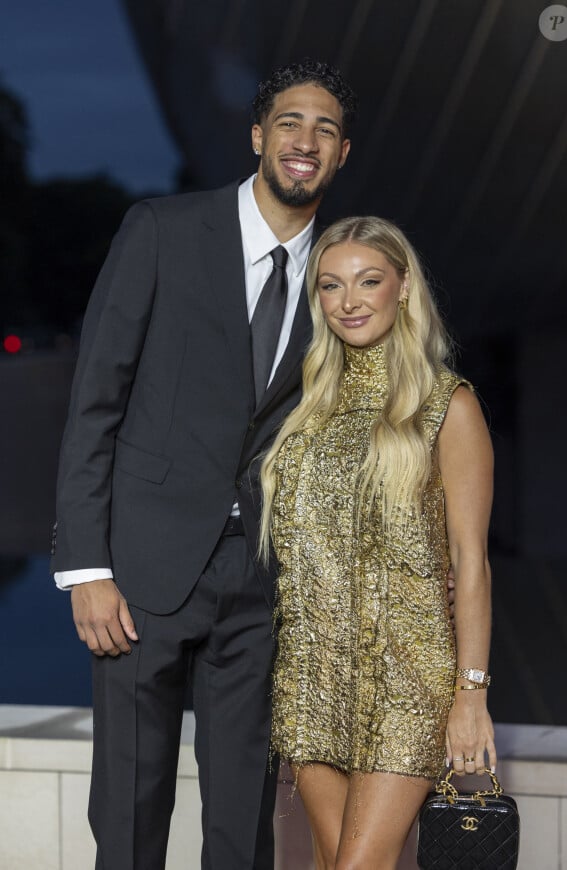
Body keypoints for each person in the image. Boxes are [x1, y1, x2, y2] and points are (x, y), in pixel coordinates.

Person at [50, 59, 356, 870]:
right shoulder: (162, 230)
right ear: (259, 136)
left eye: (326, 129)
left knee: (242, 823)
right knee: (130, 812)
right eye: (291, 122)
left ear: (342, 154)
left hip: (260, 581)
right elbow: (95, 403)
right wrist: (86, 568)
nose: (306, 140)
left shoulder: (342, 276)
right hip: (141, 573)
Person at [259, 216, 496, 869]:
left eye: (368, 281)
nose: (350, 300)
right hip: (310, 679)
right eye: (331, 286)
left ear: (403, 288)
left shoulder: (448, 405)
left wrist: (470, 695)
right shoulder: (305, 411)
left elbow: (471, 564)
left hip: (407, 683)